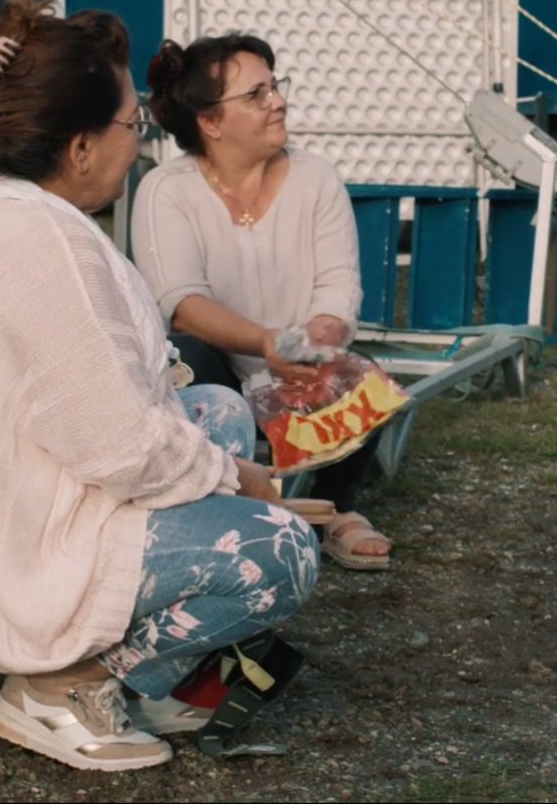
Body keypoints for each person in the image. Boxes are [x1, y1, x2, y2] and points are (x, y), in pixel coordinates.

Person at [0, 0, 319, 772]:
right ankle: (67, 686)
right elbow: (122, 445)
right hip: (11, 558)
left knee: (215, 410)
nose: (136, 143)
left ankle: (102, 666)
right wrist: (243, 483)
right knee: (281, 550)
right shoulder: (45, 243)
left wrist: (216, 462)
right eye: (128, 126)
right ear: (77, 148)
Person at [133, 33, 392, 571]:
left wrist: (311, 345)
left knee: (361, 373)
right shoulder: (166, 189)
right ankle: (220, 503)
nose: (277, 101)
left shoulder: (315, 177)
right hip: (220, 363)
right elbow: (179, 302)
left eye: (275, 87)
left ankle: (337, 508)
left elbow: (339, 288)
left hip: (299, 359)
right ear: (210, 121)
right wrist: (263, 343)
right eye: (256, 95)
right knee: (186, 354)